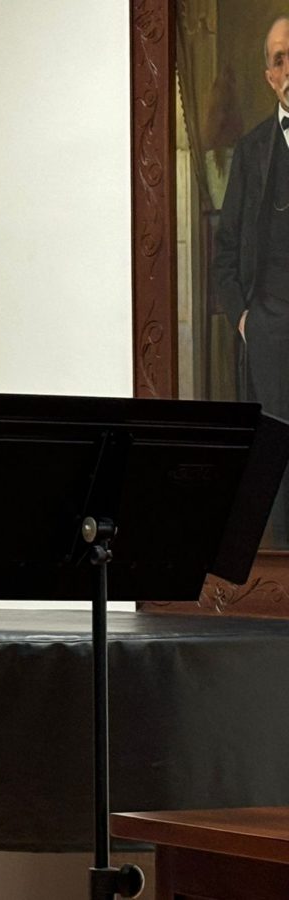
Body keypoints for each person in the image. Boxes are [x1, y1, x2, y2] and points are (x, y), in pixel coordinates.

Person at [215, 14, 289, 543]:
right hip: (270, 327)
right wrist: (245, 320)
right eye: (280, 60)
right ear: (268, 76)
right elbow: (225, 251)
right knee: (278, 459)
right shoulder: (252, 149)